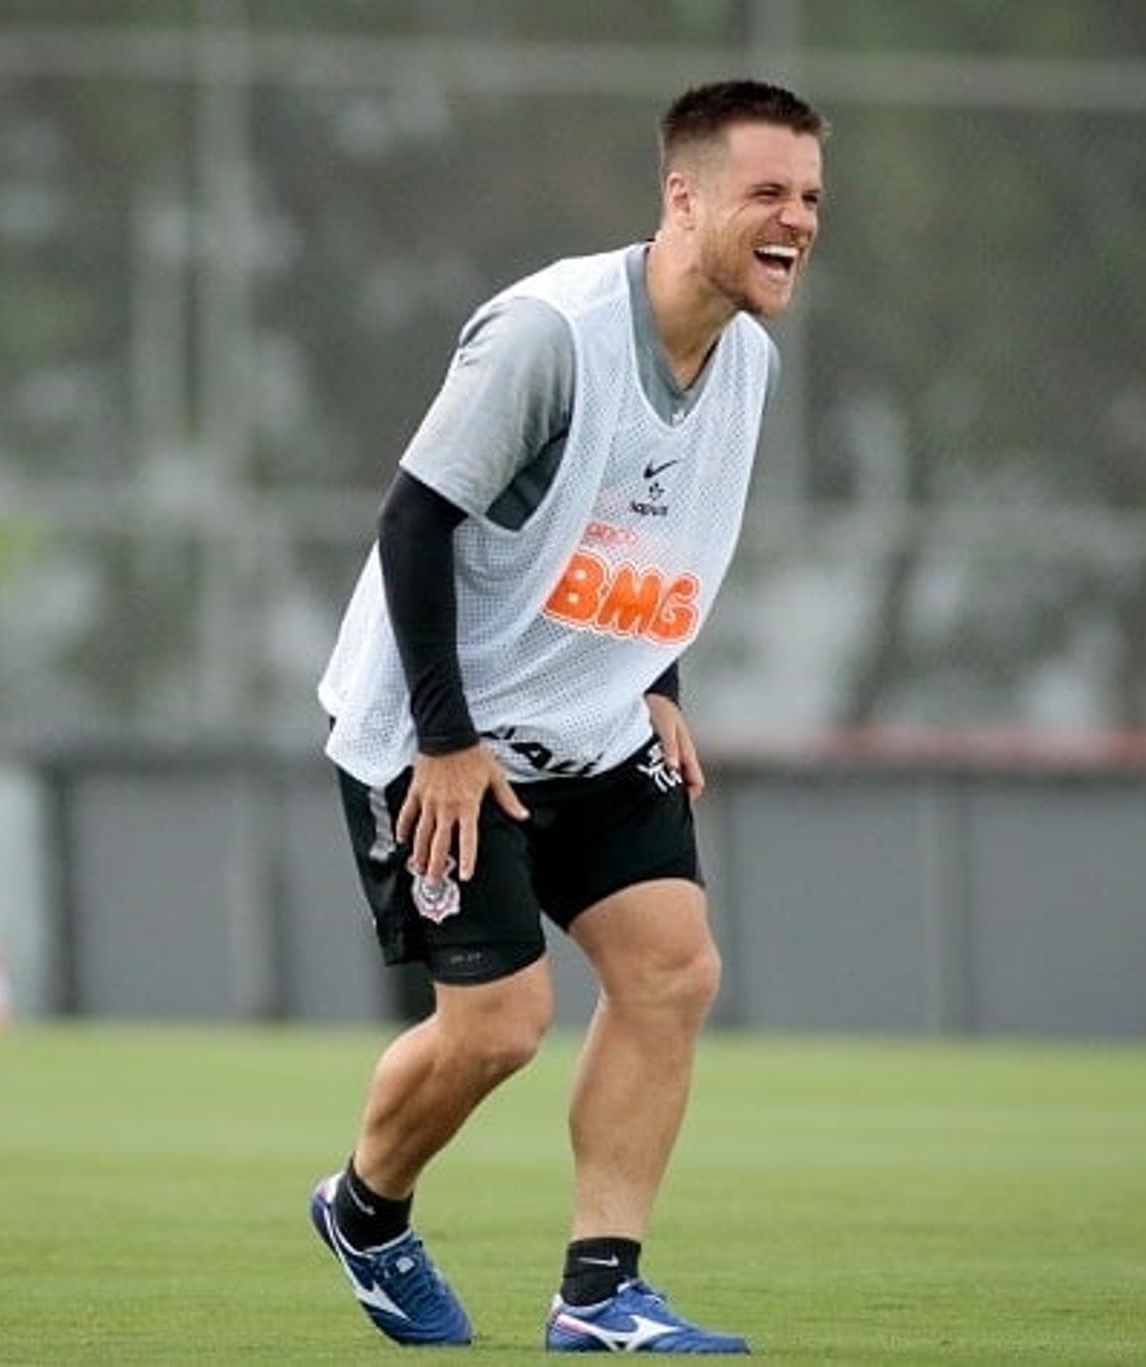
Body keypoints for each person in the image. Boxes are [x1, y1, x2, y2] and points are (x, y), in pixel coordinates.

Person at [310, 78, 825, 1354]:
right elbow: (415, 520)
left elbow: (659, 538)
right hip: (436, 730)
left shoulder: (746, 359)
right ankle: (366, 1212)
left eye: (812, 197)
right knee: (500, 1025)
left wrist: (657, 684)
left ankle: (600, 1294)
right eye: (767, 193)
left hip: (590, 724)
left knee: (672, 969)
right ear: (683, 196)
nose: (797, 221)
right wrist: (442, 742)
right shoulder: (553, 334)